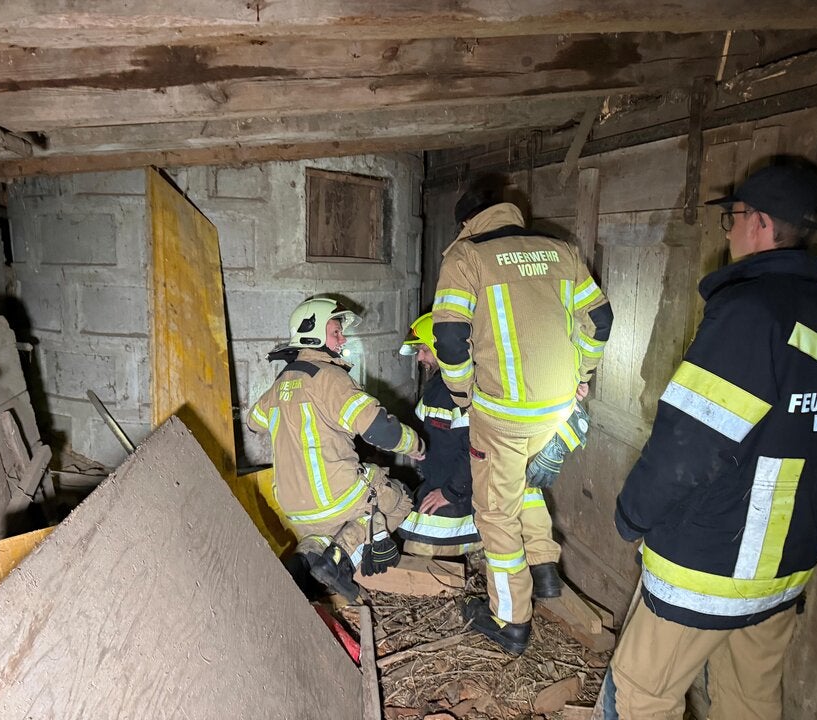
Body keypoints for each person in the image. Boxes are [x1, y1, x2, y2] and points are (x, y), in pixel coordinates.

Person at [610, 159, 817, 720]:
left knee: (642, 694)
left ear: (759, 223)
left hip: (711, 560)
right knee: (751, 701)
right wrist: (813, 413)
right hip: (786, 563)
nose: (730, 229)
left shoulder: (749, 313)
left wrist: (632, 516)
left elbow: (689, 447)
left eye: (732, 217)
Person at [432, 179, 614, 653]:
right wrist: (582, 373)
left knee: (495, 511)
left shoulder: (466, 257)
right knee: (527, 485)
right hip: (557, 410)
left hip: (502, 413)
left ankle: (510, 620)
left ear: (468, 221)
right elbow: (600, 321)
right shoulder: (561, 250)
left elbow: (449, 338)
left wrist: (463, 395)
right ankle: (544, 568)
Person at [247, 297, 425, 602]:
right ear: (312, 334)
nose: (343, 339)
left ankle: (306, 559)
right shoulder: (330, 379)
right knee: (400, 500)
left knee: (321, 534)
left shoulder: (279, 385)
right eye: (336, 332)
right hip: (336, 495)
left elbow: (254, 422)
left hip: (294, 507)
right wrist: (416, 444)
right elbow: (379, 429)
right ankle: (340, 559)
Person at [397, 312, 482, 557]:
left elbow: (476, 449)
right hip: (441, 487)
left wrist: (450, 493)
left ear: (441, 348)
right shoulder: (437, 387)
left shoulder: (462, 391)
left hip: (459, 497)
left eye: (424, 350)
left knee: (418, 551)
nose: (419, 358)